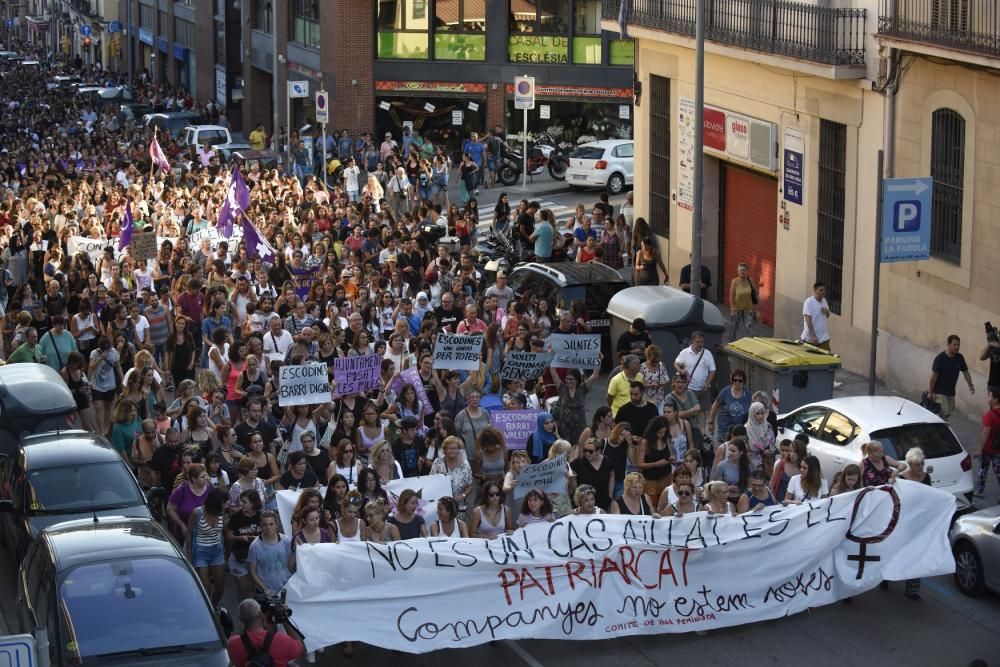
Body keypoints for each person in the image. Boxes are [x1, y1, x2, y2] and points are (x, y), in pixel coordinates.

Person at [226, 597, 303, 667]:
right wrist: (284, 618)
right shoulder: (281, 640)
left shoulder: (232, 643)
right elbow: (299, 648)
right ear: (260, 614)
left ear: (240, 618)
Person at [187, 487, 228, 608]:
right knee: (206, 588)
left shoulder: (222, 513)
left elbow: (221, 532)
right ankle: (206, 609)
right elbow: (189, 532)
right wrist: (189, 552)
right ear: (216, 503)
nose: (227, 504)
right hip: (200, 552)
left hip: (217, 551)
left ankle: (213, 607)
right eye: (224, 502)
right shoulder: (197, 512)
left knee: (220, 588)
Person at [674, 332, 716, 431]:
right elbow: (676, 363)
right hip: (689, 388)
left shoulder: (707, 354)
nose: (700, 344)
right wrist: (680, 370)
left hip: (703, 388)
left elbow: (712, 370)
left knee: (702, 411)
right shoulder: (685, 352)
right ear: (692, 341)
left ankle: (702, 432)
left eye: (702, 342)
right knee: (690, 411)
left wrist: (707, 383)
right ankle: (690, 429)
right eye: (698, 342)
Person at [928, 334, 975, 419]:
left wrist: (970, 385)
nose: (957, 347)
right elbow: (933, 377)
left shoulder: (960, 357)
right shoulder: (940, 359)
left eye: (958, 345)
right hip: (939, 392)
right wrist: (930, 392)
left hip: (951, 392)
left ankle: (939, 427)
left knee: (948, 412)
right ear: (948, 344)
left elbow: (965, 371)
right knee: (943, 413)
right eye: (954, 345)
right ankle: (940, 430)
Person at [708, 370, 751, 445]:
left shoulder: (747, 394)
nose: (737, 382)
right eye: (735, 380)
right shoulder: (725, 392)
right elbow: (715, 406)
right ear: (732, 380)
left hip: (740, 431)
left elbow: (753, 408)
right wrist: (711, 422)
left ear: (743, 381)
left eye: (740, 380)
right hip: (725, 430)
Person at [571, 437, 614, 510]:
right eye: (585, 450)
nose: (587, 453)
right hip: (584, 504)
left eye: (590, 451)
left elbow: (612, 476)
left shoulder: (606, 461)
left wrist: (610, 495)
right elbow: (568, 472)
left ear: (598, 451)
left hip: (603, 502)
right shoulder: (578, 463)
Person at [976, 388, 1000, 497]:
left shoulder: (989, 416)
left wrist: (980, 449)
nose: (988, 398)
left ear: (996, 399)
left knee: (983, 470)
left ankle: (979, 491)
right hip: (998, 451)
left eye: (990, 396)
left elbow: (985, 433)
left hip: (988, 449)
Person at [728, 262, 755, 341]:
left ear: (747, 271)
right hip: (737, 308)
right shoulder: (735, 282)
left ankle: (747, 343)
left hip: (748, 308)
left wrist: (756, 310)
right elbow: (731, 295)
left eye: (743, 270)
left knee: (748, 328)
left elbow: (754, 294)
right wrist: (732, 308)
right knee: (734, 327)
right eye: (740, 270)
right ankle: (731, 342)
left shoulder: (750, 281)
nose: (741, 272)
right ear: (737, 271)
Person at [801, 281, 832, 350]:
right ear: (815, 290)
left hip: (823, 337)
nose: (823, 292)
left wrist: (827, 312)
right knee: (811, 359)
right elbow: (808, 319)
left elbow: (827, 316)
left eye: (824, 290)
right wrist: (812, 335)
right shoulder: (809, 302)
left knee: (828, 359)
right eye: (821, 290)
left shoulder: (824, 301)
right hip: (811, 339)